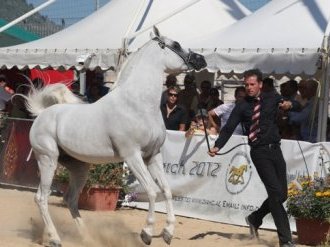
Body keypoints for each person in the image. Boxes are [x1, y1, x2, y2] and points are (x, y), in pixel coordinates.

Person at [208, 69, 295, 247]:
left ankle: (255, 218)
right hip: (259, 152)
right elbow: (229, 127)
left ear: (260, 84)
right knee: (275, 195)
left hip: (275, 150)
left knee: (282, 194)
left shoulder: (272, 97)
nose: (249, 88)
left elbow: (286, 104)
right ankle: (285, 241)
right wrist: (218, 145)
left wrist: (288, 105)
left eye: (252, 84)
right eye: (246, 85)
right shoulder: (241, 106)